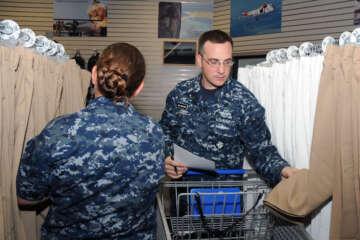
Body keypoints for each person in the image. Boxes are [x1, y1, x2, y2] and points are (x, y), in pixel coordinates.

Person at [16, 42, 165, 239]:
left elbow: (26, 198)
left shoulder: (60, 130)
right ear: (139, 88)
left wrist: (65, 191)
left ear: (93, 74)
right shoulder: (154, 134)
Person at [160, 30, 297, 187]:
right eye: (214, 61)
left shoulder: (244, 101)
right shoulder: (180, 94)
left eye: (227, 62)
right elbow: (165, 133)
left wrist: (282, 169)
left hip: (224, 197)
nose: (221, 70)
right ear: (199, 60)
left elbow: (261, 150)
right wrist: (167, 158)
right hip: (181, 192)